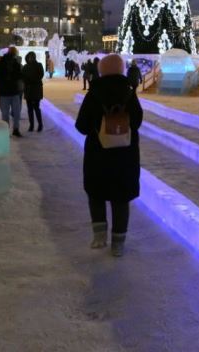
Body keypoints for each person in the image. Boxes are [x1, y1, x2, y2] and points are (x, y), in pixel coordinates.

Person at [75, 54, 143, 257]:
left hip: (98, 154)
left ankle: (99, 236)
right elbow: (137, 121)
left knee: (96, 193)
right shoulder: (130, 93)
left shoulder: (93, 93)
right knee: (121, 199)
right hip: (125, 155)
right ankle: (118, 244)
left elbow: (82, 125)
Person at [0, 46, 24, 137]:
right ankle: (16, 129)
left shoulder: (0, 63)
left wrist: (2, 80)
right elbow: (20, 76)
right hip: (14, 91)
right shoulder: (16, 64)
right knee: (16, 112)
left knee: (5, 113)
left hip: (3, 91)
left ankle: (6, 130)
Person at [22, 51, 45, 132]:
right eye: (29, 57)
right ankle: (31, 125)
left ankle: (40, 124)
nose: (30, 58)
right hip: (28, 89)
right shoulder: (25, 66)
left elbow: (41, 75)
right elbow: (22, 77)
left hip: (36, 89)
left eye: (32, 57)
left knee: (36, 108)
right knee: (29, 109)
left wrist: (31, 80)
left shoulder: (39, 65)